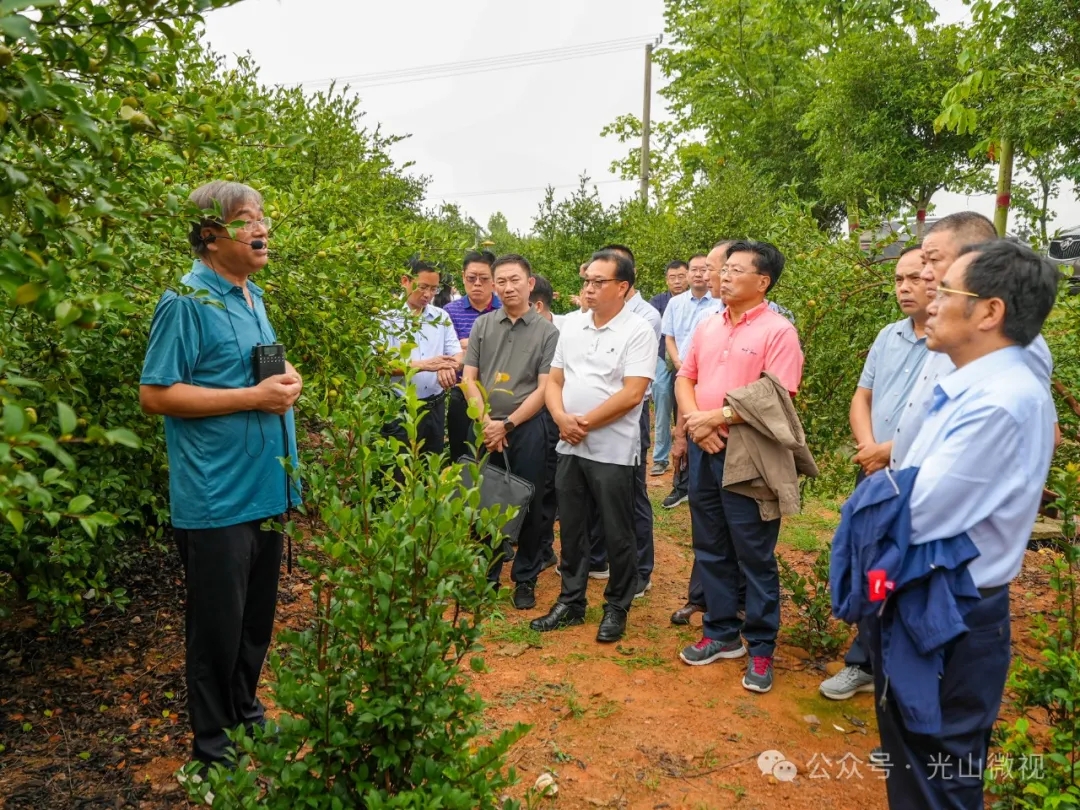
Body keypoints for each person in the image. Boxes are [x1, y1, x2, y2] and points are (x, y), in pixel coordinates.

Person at [871, 240, 1059, 810]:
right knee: (915, 756)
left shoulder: (999, 401)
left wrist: (872, 519)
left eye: (945, 289)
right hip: (930, 593)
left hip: (950, 605)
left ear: (988, 311)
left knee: (939, 767)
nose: (930, 301)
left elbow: (918, 514)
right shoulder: (972, 384)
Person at [139, 180, 301, 767]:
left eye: (261, 216)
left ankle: (246, 715)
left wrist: (285, 380)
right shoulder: (186, 301)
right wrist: (252, 398)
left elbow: (259, 370)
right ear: (210, 235)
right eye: (243, 219)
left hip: (265, 487)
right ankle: (212, 749)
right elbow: (156, 394)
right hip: (217, 495)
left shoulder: (251, 295)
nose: (259, 228)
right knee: (216, 632)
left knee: (254, 623)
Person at [674, 240, 804, 694]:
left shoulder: (778, 331)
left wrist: (719, 417)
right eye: (722, 269)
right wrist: (696, 424)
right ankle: (721, 631)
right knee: (710, 543)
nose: (723, 277)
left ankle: (762, 646)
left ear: (762, 281)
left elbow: (778, 394)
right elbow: (684, 377)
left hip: (749, 454)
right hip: (703, 448)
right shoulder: (708, 326)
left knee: (754, 551)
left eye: (734, 270)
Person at [818, 245, 931, 701]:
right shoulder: (889, 335)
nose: (904, 287)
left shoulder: (954, 345)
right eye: (899, 279)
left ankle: (907, 668)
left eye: (916, 278)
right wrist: (869, 447)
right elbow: (862, 396)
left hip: (920, 479)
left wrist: (892, 450)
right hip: (875, 473)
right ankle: (864, 660)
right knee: (873, 568)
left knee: (914, 570)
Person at [531, 249, 657, 643]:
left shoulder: (638, 330)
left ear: (623, 287)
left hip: (613, 450)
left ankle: (616, 607)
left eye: (598, 282)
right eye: (586, 281)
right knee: (571, 527)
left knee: (618, 532)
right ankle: (571, 601)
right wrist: (561, 418)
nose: (588, 289)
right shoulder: (572, 327)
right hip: (570, 446)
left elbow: (633, 392)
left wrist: (582, 422)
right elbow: (554, 380)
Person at [890, 212, 1056, 470]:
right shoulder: (951, 322)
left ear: (975, 260)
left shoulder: (1011, 338)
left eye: (933, 261)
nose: (924, 275)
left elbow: (1042, 431)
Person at [462, 255, 560, 608]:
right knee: (488, 500)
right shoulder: (483, 326)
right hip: (485, 427)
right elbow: (468, 378)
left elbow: (544, 388)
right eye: (500, 281)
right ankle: (488, 572)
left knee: (531, 502)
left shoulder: (548, 332)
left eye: (514, 280)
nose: (507, 287)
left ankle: (525, 577)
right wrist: (487, 420)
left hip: (528, 427)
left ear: (529, 283)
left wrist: (507, 424)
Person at [380, 260, 463, 456]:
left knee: (429, 470)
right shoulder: (386, 316)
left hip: (434, 407)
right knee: (399, 471)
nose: (428, 294)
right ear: (405, 281)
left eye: (433, 289)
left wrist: (448, 367)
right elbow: (380, 364)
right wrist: (425, 365)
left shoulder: (441, 317)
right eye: (423, 287)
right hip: (399, 408)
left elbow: (457, 354)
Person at [660, 253, 714, 508]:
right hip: (682, 372)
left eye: (704, 269)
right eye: (693, 269)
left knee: (704, 425)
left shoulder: (719, 303)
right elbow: (669, 337)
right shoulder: (676, 303)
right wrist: (679, 363)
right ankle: (680, 485)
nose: (698, 274)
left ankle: (700, 485)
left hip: (709, 375)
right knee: (679, 426)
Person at [444, 250, 500, 461]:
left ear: (493, 279)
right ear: (463, 277)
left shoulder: (504, 309)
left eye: (484, 279)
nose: (477, 284)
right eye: (471, 278)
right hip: (462, 394)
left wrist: (468, 346)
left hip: (496, 393)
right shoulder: (449, 311)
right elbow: (447, 354)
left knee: (493, 454)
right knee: (461, 455)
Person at [530, 274, 564, 570]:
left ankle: (543, 548)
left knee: (548, 484)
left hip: (556, 417)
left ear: (537, 306)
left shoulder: (568, 329)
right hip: (528, 416)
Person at [650, 261, 689, 476]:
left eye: (681, 276)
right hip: (663, 359)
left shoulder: (698, 302)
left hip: (688, 361)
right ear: (666, 280)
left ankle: (686, 456)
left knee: (684, 406)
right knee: (662, 399)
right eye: (672, 277)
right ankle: (660, 457)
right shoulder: (658, 302)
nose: (677, 281)